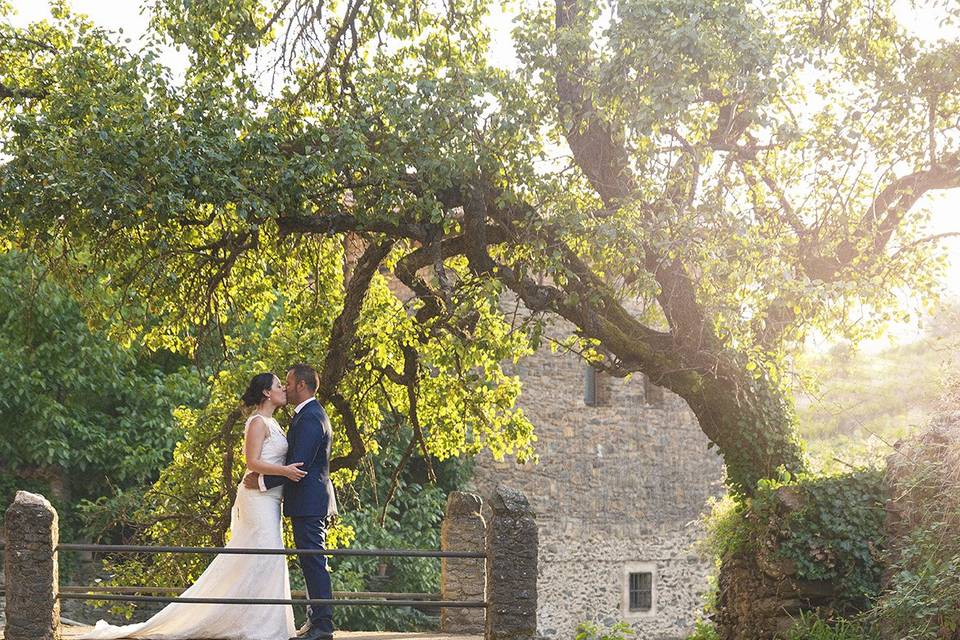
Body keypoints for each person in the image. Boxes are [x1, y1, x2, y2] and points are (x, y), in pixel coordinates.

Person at [78, 372, 304, 640]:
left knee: (269, 555)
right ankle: (255, 623)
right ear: (267, 392)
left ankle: (263, 619)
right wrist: (285, 471)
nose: (284, 390)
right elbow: (251, 463)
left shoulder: (274, 423)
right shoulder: (257, 422)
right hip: (257, 499)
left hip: (271, 497)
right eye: (279, 386)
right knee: (264, 551)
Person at [244, 363, 337, 640]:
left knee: (314, 560)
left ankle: (322, 625)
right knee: (310, 561)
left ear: (301, 385)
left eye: (288, 382)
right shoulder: (304, 415)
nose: (285, 387)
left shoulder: (310, 417)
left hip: (309, 502)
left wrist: (261, 481)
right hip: (304, 502)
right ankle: (315, 620)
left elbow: (301, 466)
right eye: (279, 384)